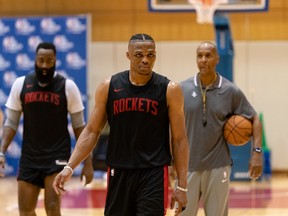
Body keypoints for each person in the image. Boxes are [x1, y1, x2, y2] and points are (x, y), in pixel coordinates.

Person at [53, 33, 190, 216]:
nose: (145, 60)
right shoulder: (109, 87)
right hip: (119, 171)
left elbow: (179, 139)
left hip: (153, 173)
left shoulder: (170, 90)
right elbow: (92, 130)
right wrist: (70, 167)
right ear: (128, 55)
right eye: (139, 55)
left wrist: (182, 186)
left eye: (151, 55)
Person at [0, 42, 94, 216]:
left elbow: (81, 128)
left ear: (55, 61)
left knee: (51, 207)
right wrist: (2, 152)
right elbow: (11, 123)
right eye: (41, 60)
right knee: (26, 211)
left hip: (56, 156)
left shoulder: (67, 87)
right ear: (35, 59)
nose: (44, 65)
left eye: (49, 61)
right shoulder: (21, 84)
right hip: (30, 156)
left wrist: (88, 163)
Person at [180, 41, 263, 216]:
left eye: (208, 55)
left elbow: (254, 118)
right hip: (187, 166)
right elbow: (171, 125)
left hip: (218, 166)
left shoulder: (230, 91)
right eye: (200, 56)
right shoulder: (182, 89)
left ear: (217, 59)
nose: (203, 60)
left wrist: (256, 153)